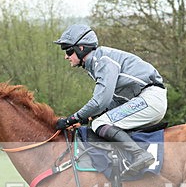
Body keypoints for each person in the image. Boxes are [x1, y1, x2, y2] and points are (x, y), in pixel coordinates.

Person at [53, 24, 167, 175]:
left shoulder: (103, 61)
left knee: (101, 123)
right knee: (99, 121)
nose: (66, 56)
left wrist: (72, 119)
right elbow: (115, 101)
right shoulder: (98, 62)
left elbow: (101, 101)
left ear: (81, 48)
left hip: (150, 98)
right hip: (146, 98)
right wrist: (88, 117)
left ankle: (140, 155)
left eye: (68, 50)